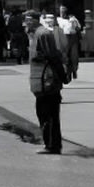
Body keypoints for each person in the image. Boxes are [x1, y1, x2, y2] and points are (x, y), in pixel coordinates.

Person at [26, 10, 68, 154]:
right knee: (44, 113)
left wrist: (62, 76)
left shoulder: (42, 34)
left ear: (36, 20)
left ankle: (52, 145)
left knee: (48, 114)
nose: (26, 23)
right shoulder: (34, 35)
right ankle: (51, 144)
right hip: (41, 83)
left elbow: (53, 56)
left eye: (28, 20)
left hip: (47, 82)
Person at [57, 4, 83, 82]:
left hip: (72, 38)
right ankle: (66, 73)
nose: (62, 11)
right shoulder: (57, 20)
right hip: (63, 38)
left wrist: (74, 23)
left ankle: (74, 70)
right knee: (64, 56)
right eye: (61, 10)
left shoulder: (73, 18)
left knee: (74, 56)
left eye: (64, 9)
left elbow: (78, 28)